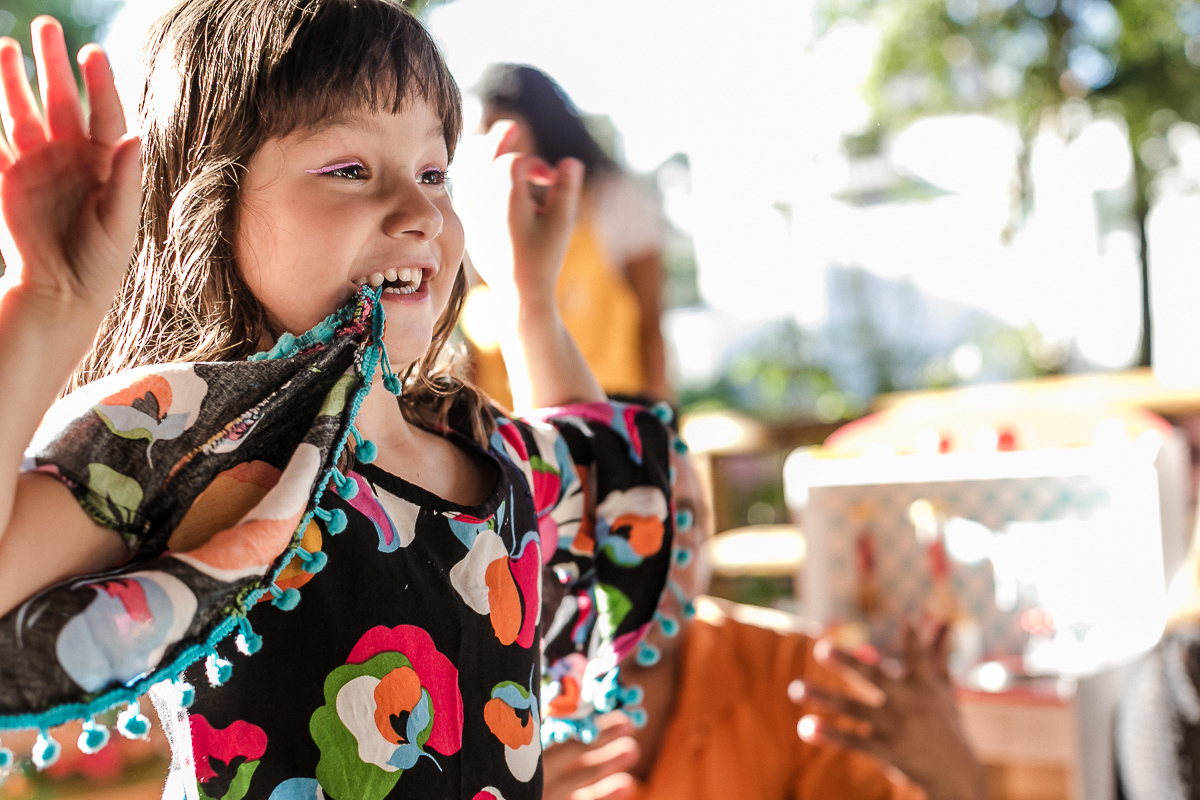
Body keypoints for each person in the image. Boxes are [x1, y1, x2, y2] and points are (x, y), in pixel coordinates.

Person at [0, 4, 676, 799]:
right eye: (350, 169)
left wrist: (531, 304)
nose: (422, 214)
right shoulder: (191, 438)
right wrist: (49, 304)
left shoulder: (487, 451)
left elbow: (595, 485)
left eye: (433, 173)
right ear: (209, 202)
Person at [540, 452, 990, 800]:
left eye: (685, 519)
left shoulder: (797, 672)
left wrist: (953, 782)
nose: (656, 558)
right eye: (613, 521)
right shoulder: (491, 700)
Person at [461, 64, 671, 408]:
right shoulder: (467, 223)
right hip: (510, 438)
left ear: (540, 127)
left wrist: (660, 425)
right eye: (478, 136)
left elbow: (651, 320)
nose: (491, 149)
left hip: (610, 423)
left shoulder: (611, 197)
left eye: (500, 132)